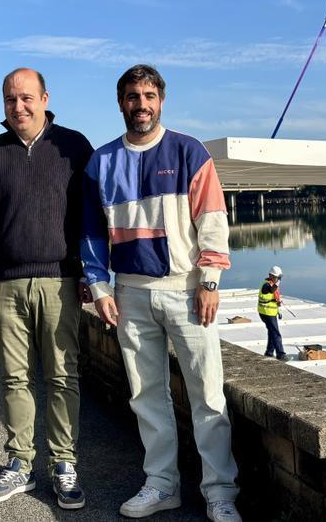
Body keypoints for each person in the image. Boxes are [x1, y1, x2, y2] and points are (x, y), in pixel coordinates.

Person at [82, 64, 242, 522]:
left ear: (161, 101)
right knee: (146, 395)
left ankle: (220, 491)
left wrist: (210, 280)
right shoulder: (102, 161)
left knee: (207, 394)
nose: (141, 105)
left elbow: (212, 219)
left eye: (149, 96)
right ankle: (162, 485)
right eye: (133, 96)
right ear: (120, 103)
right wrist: (98, 284)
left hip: (186, 290)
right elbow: (91, 231)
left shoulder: (188, 151)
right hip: (130, 292)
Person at [0, 68, 94, 509]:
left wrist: (91, 274)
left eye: (26, 98)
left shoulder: (73, 146)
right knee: (14, 378)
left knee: (62, 377)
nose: (18, 107)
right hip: (7, 285)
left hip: (61, 281)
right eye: (9, 100)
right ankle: (20, 463)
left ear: (44, 98)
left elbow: (90, 217)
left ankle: (63, 463)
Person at [258, 266, 286, 361]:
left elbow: (271, 295)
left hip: (270, 312)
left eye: (279, 278)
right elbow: (270, 290)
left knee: (271, 332)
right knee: (276, 333)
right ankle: (280, 354)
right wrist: (278, 282)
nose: (278, 279)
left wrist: (277, 302)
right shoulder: (266, 285)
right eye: (277, 277)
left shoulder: (272, 284)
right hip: (266, 313)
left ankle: (269, 352)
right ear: (271, 276)